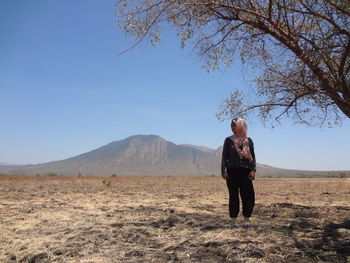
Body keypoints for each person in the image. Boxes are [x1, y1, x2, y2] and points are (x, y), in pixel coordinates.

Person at [221, 118, 256, 229]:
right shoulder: (228, 140)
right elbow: (224, 157)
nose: (232, 127)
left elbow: (253, 157)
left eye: (234, 125)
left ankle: (246, 222)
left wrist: (253, 170)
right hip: (232, 172)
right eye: (231, 125)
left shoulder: (248, 141)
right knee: (233, 196)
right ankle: (234, 222)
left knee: (248, 196)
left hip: (246, 172)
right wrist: (223, 171)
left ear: (241, 126)